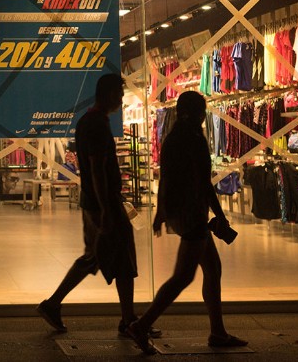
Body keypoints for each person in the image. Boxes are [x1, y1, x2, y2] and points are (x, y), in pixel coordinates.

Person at [37, 73, 160, 340]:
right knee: (119, 258)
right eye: (119, 93)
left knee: (96, 256)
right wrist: (106, 207)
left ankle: (122, 317)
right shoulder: (96, 124)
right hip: (102, 203)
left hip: (97, 201)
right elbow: (96, 168)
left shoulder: (90, 121)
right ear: (107, 94)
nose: (121, 98)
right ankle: (126, 320)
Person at [126, 90, 246, 354]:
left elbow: (166, 178)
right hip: (192, 214)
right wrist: (220, 214)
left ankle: (218, 331)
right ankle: (142, 325)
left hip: (182, 212)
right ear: (197, 114)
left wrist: (161, 213)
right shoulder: (194, 140)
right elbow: (204, 183)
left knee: (212, 269)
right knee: (183, 276)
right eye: (202, 113)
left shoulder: (172, 140)